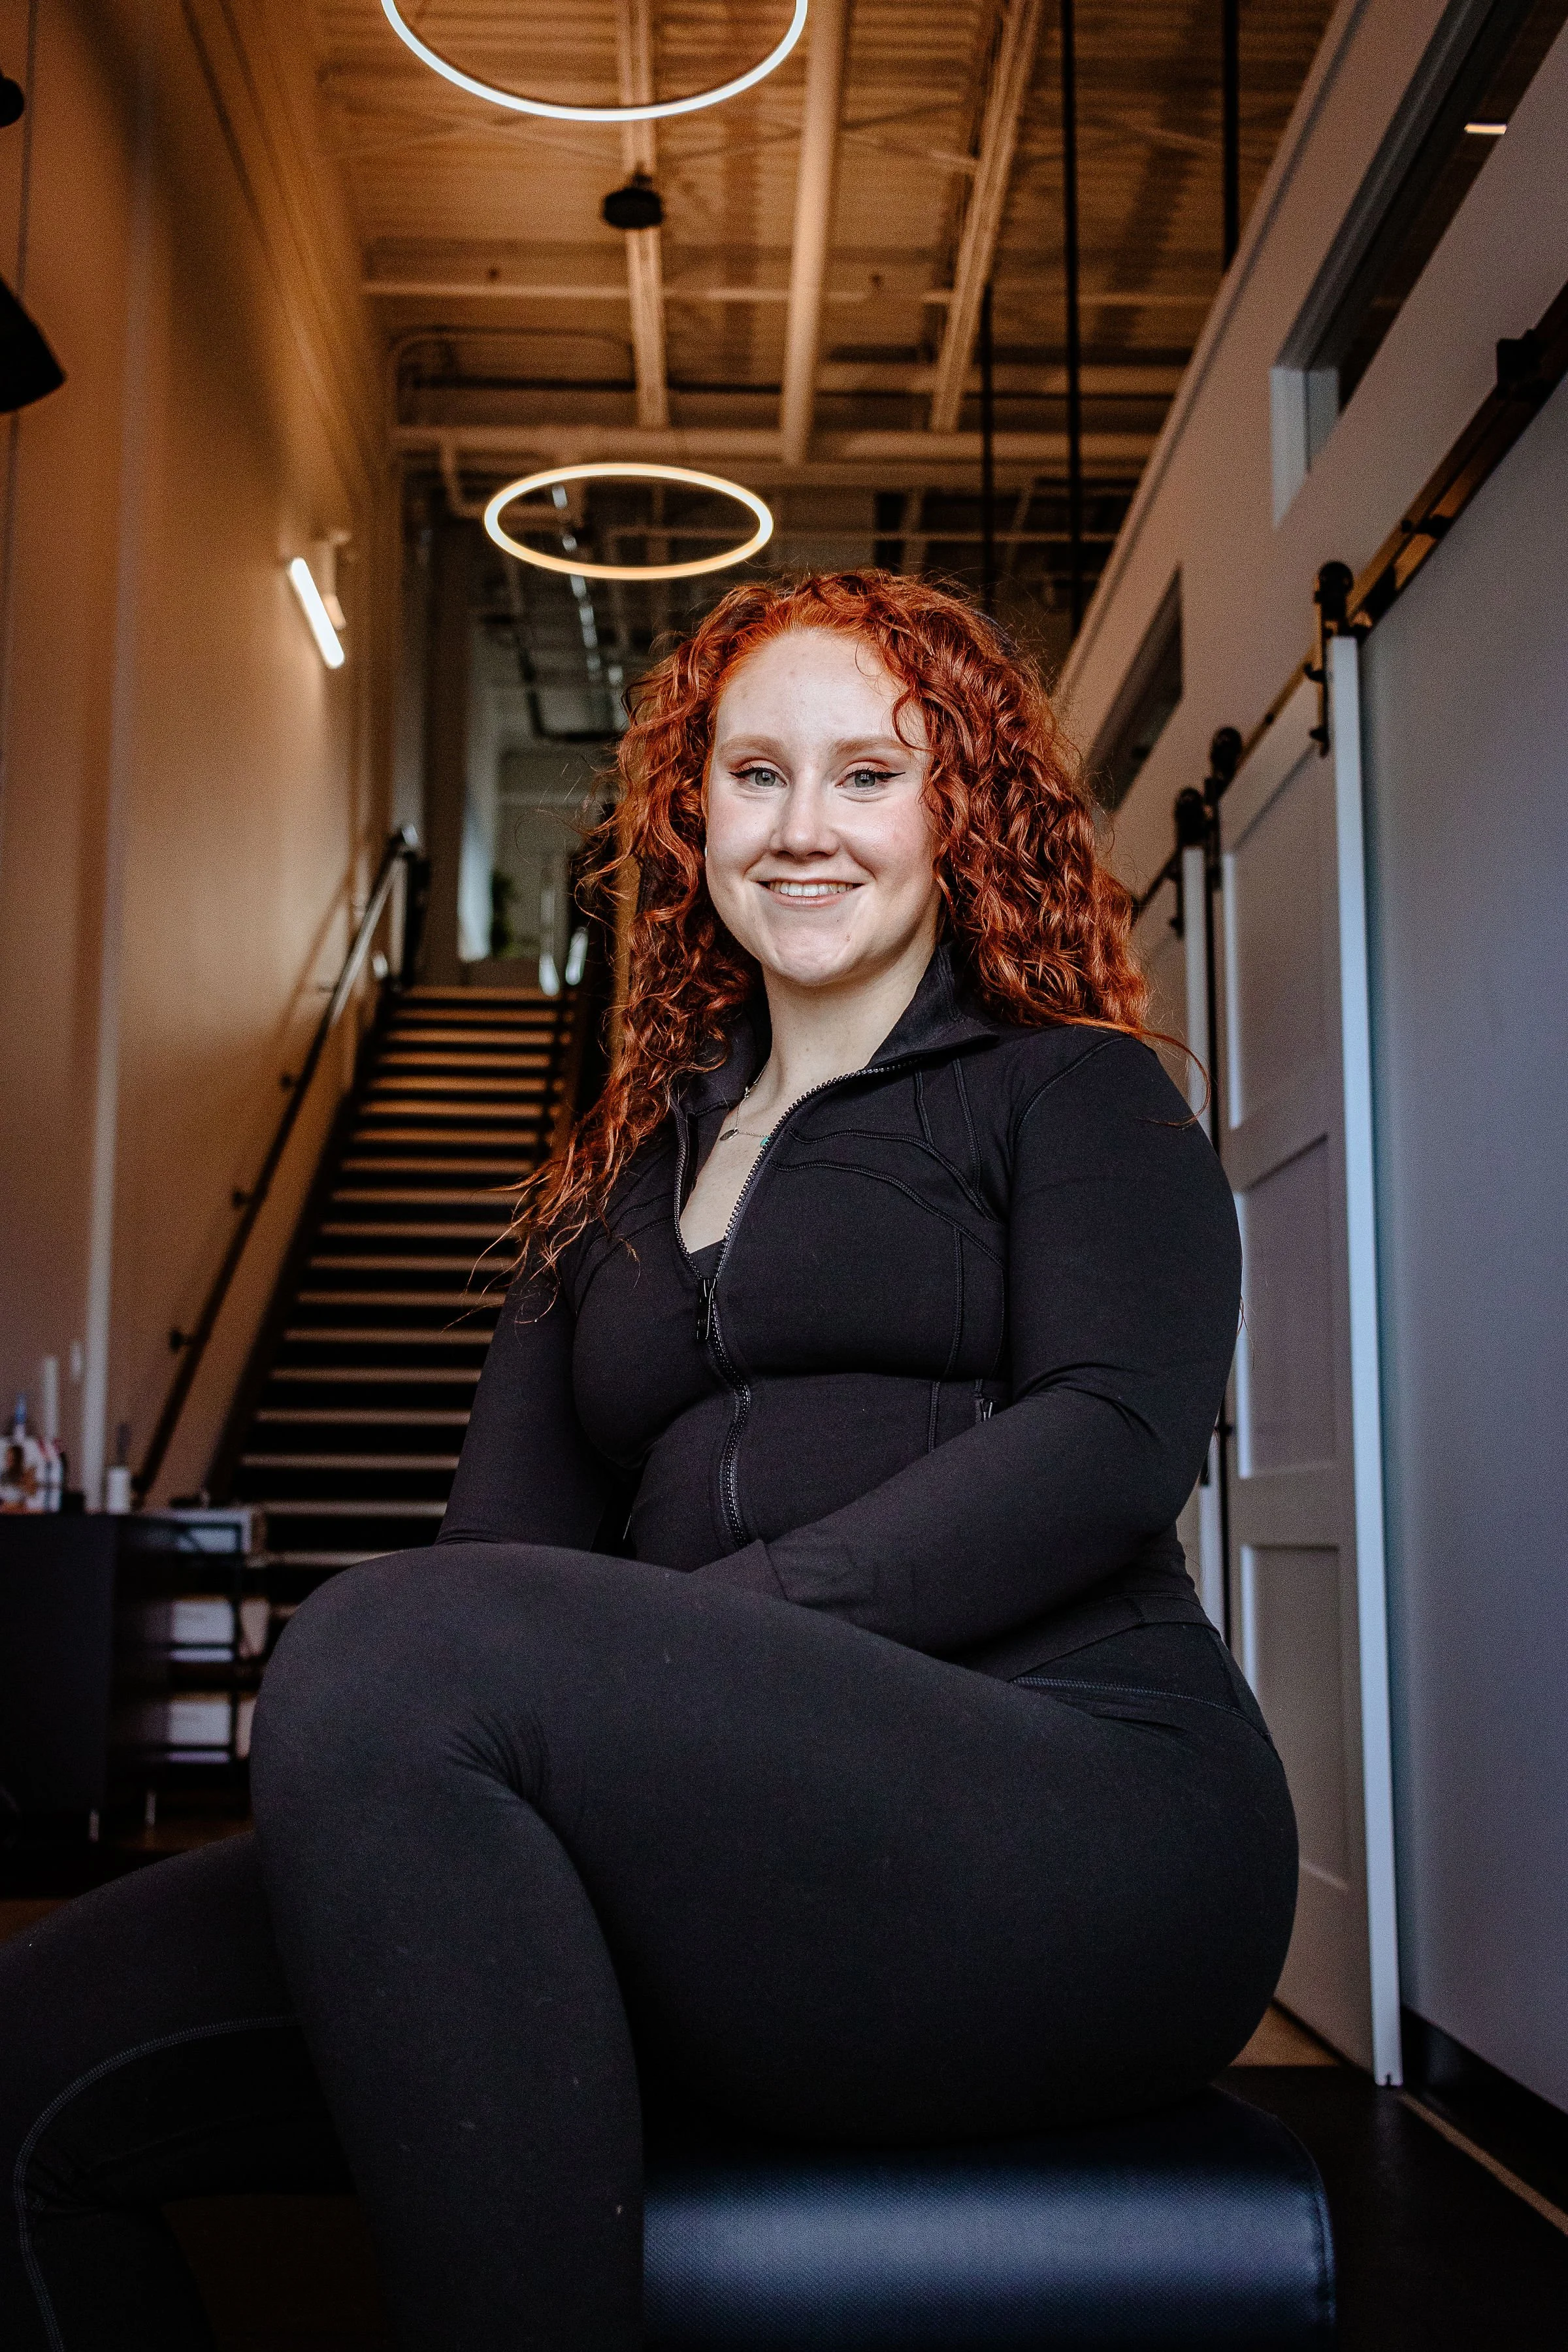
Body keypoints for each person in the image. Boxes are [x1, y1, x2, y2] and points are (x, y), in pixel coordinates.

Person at [0, 572, 1296, 2351]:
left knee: (386, 1643)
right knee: (40, 2042)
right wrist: (592, 1715)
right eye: (755, 775)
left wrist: (703, 1651)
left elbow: (1106, 1447)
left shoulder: (1071, 1093)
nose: (804, 828)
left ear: (962, 807)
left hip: (1082, 1828)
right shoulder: (603, 1184)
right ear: (692, 817)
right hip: (716, 1864)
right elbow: (487, 1575)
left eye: (868, 775)